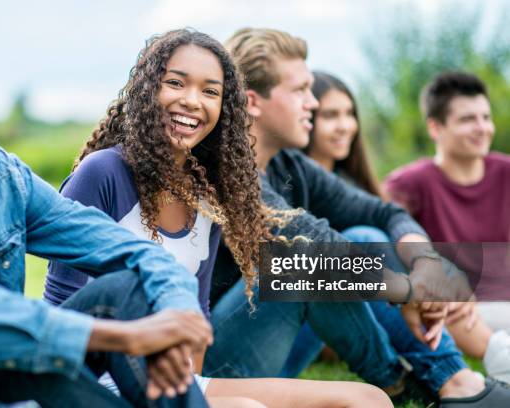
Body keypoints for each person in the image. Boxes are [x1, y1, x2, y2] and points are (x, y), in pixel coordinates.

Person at [44, 28, 393, 408]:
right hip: (104, 384)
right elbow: (63, 310)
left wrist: (191, 390)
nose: (192, 101)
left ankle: (400, 381)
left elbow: (199, 317)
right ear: (146, 90)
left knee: (368, 400)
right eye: (176, 83)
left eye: (210, 91)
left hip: (181, 383)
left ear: (225, 108)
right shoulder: (103, 173)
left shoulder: (207, 194)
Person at [0, 2, 214, 407]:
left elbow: (132, 251)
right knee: (2, 352)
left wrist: (173, 320)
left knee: (121, 291)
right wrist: (123, 336)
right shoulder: (105, 169)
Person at [204, 28, 510, 408]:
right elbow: (311, 244)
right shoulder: (221, 169)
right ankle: (404, 385)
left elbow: (381, 211)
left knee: (364, 232)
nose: (310, 104)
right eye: (299, 91)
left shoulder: (289, 164)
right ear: (253, 101)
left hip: (276, 353)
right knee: (301, 265)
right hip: (217, 367)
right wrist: (410, 291)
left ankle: (455, 382)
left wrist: (426, 262)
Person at [285, 69, 510, 384]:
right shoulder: (286, 182)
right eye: (330, 115)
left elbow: (393, 224)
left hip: (370, 309)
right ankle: (488, 363)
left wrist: (439, 272)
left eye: (350, 114)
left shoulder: (351, 188)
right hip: (313, 320)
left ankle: (474, 364)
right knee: (367, 243)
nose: (345, 125)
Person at [386, 70, 510, 383]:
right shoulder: (409, 183)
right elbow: (385, 241)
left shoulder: (506, 172)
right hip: (460, 309)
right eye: (468, 119)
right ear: (435, 127)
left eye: (486, 117)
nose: (482, 128)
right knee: (440, 301)